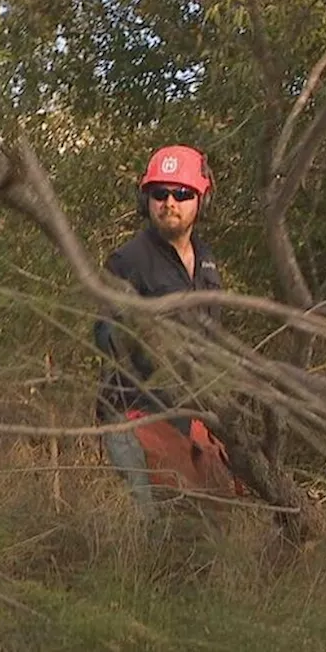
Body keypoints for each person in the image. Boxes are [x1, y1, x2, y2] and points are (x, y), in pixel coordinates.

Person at [93, 144, 240, 519]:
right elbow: (104, 333)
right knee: (157, 530)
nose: (169, 202)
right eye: (159, 193)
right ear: (147, 200)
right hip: (137, 415)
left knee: (214, 522)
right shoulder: (128, 261)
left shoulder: (206, 261)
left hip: (190, 414)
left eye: (181, 193)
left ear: (200, 200)